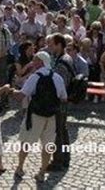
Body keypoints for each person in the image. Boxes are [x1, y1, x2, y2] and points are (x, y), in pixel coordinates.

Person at [13, 51, 67, 182]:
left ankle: (20, 167)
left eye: (35, 60)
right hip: (52, 116)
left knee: (26, 142)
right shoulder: (57, 77)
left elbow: (21, 96)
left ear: (41, 62)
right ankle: (42, 172)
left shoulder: (34, 77)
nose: (33, 62)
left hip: (35, 115)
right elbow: (64, 98)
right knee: (48, 145)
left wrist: (11, 91)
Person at [46, 33, 73, 171]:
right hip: (62, 99)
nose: (49, 47)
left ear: (59, 45)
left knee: (58, 131)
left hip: (59, 101)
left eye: (51, 44)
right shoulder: (63, 58)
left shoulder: (62, 61)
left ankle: (58, 161)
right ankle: (65, 158)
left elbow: (60, 84)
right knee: (63, 129)